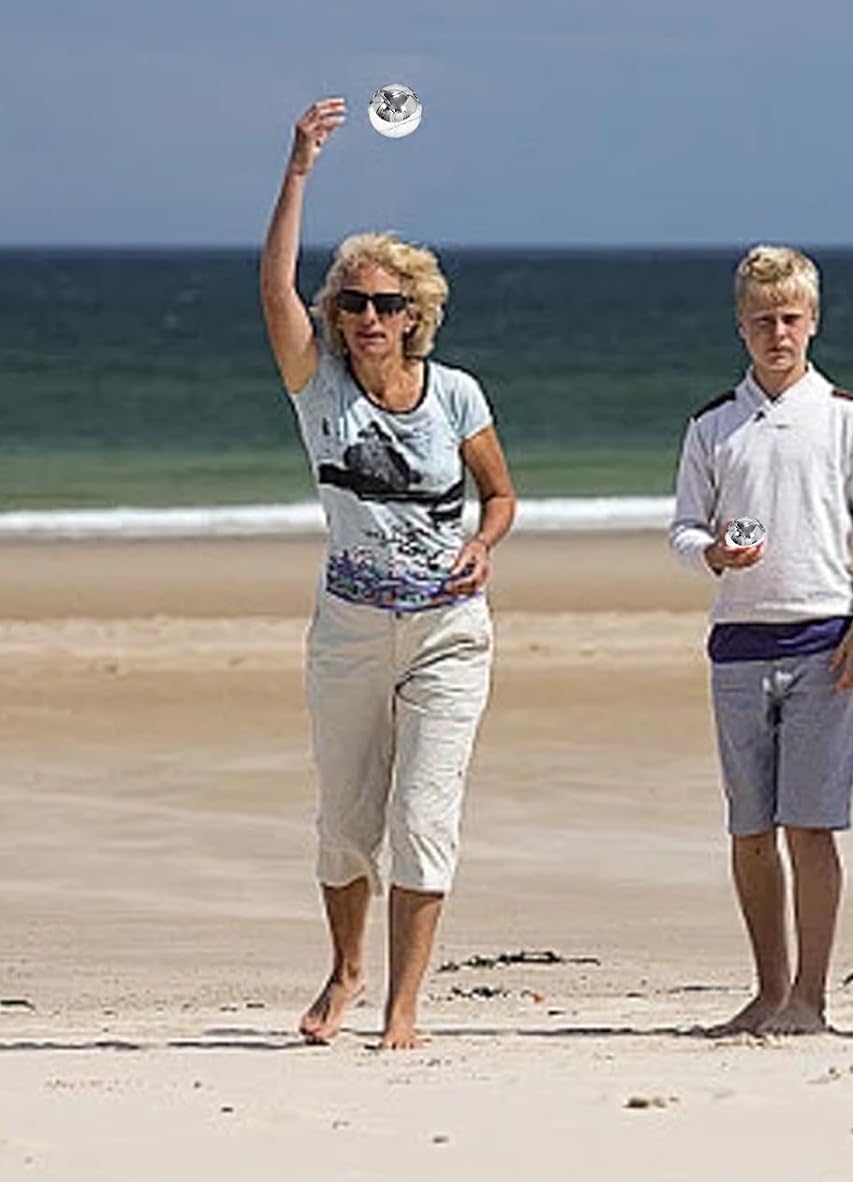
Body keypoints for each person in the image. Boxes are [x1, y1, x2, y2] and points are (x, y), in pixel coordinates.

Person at [260, 98, 517, 1049]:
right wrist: (298, 169)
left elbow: (500, 495)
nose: (370, 318)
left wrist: (484, 542)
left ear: (418, 316)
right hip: (351, 631)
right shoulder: (318, 387)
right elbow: (274, 290)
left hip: (449, 633)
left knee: (423, 815)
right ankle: (345, 972)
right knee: (345, 820)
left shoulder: (456, 394)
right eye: (355, 303)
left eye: (388, 305)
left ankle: (404, 1006)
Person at [670, 245, 853, 1035]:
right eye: (763, 320)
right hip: (738, 645)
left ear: (814, 321)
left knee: (811, 825)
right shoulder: (714, 424)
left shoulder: (847, 418)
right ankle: (769, 991)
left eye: (791, 318)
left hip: (824, 644)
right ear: (741, 326)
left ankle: (811, 997)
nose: (778, 333)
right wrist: (713, 553)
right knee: (749, 830)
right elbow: (683, 528)